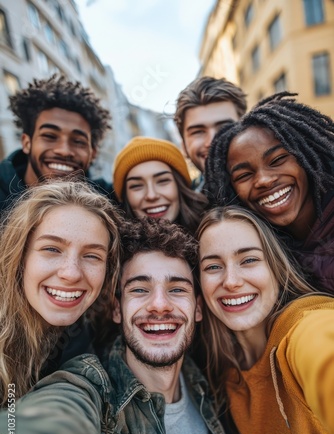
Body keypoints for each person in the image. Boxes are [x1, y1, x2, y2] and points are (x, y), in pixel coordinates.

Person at [0, 218, 258, 434]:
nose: (159, 305)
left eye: (177, 289)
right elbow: (53, 424)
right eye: (139, 289)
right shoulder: (90, 388)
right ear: (116, 310)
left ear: (198, 308)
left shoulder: (208, 387)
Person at [197, 205, 334, 434]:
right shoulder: (228, 375)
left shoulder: (306, 329)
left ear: (275, 266)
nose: (231, 281)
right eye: (212, 266)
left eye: (248, 260)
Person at [0, 179, 121, 406]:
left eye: (92, 255)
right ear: (20, 256)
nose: (71, 273)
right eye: (52, 249)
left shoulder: (85, 333)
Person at [204, 91, 334, 294]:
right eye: (244, 175)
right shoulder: (259, 252)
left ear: (307, 155)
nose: (264, 180)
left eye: (277, 160)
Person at [0, 74, 116, 211]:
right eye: (49, 136)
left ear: (93, 153)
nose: (64, 150)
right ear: (26, 143)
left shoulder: (111, 200)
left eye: (78, 141)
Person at [112, 136, 207, 233]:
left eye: (163, 181)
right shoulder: (111, 246)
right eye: (136, 186)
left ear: (180, 185)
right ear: (125, 197)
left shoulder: (212, 229)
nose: (151, 195)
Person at [174, 76, 247, 189]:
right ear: (183, 146)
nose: (212, 141)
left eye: (225, 127)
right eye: (198, 132)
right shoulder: (182, 204)